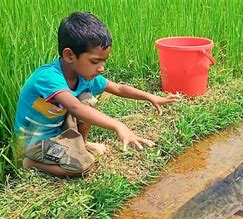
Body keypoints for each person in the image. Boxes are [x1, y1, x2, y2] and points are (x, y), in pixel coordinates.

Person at [14, 12, 179, 177]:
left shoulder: (84, 76)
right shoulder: (48, 77)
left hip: (57, 129)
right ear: (69, 55)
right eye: (95, 61)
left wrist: (151, 97)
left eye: (103, 61)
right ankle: (31, 163)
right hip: (36, 142)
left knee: (88, 100)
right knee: (83, 167)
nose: (101, 68)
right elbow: (75, 107)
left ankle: (82, 144)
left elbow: (119, 88)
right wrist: (118, 125)